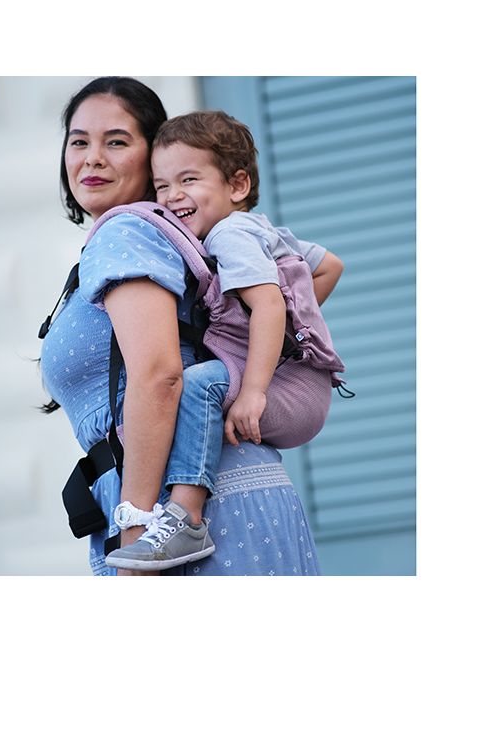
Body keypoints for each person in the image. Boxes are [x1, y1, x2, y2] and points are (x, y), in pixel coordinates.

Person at [40, 77, 342, 575]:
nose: (92, 157)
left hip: (185, 513)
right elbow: (316, 271)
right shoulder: (149, 237)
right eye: (79, 141)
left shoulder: (127, 233)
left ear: (153, 153)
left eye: (116, 141)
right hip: (210, 496)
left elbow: (159, 375)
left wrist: (136, 530)